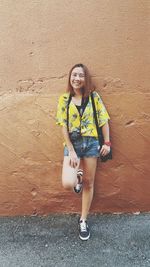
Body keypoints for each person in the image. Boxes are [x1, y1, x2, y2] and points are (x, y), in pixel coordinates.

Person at [56, 63, 111, 241]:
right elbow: (62, 125)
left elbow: (103, 120)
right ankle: (77, 177)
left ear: (85, 79)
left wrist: (107, 142)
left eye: (80, 75)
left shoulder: (94, 98)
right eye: (74, 75)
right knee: (67, 182)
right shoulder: (64, 99)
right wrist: (71, 149)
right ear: (70, 78)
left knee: (89, 183)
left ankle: (83, 220)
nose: (77, 78)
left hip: (91, 142)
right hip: (72, 143)